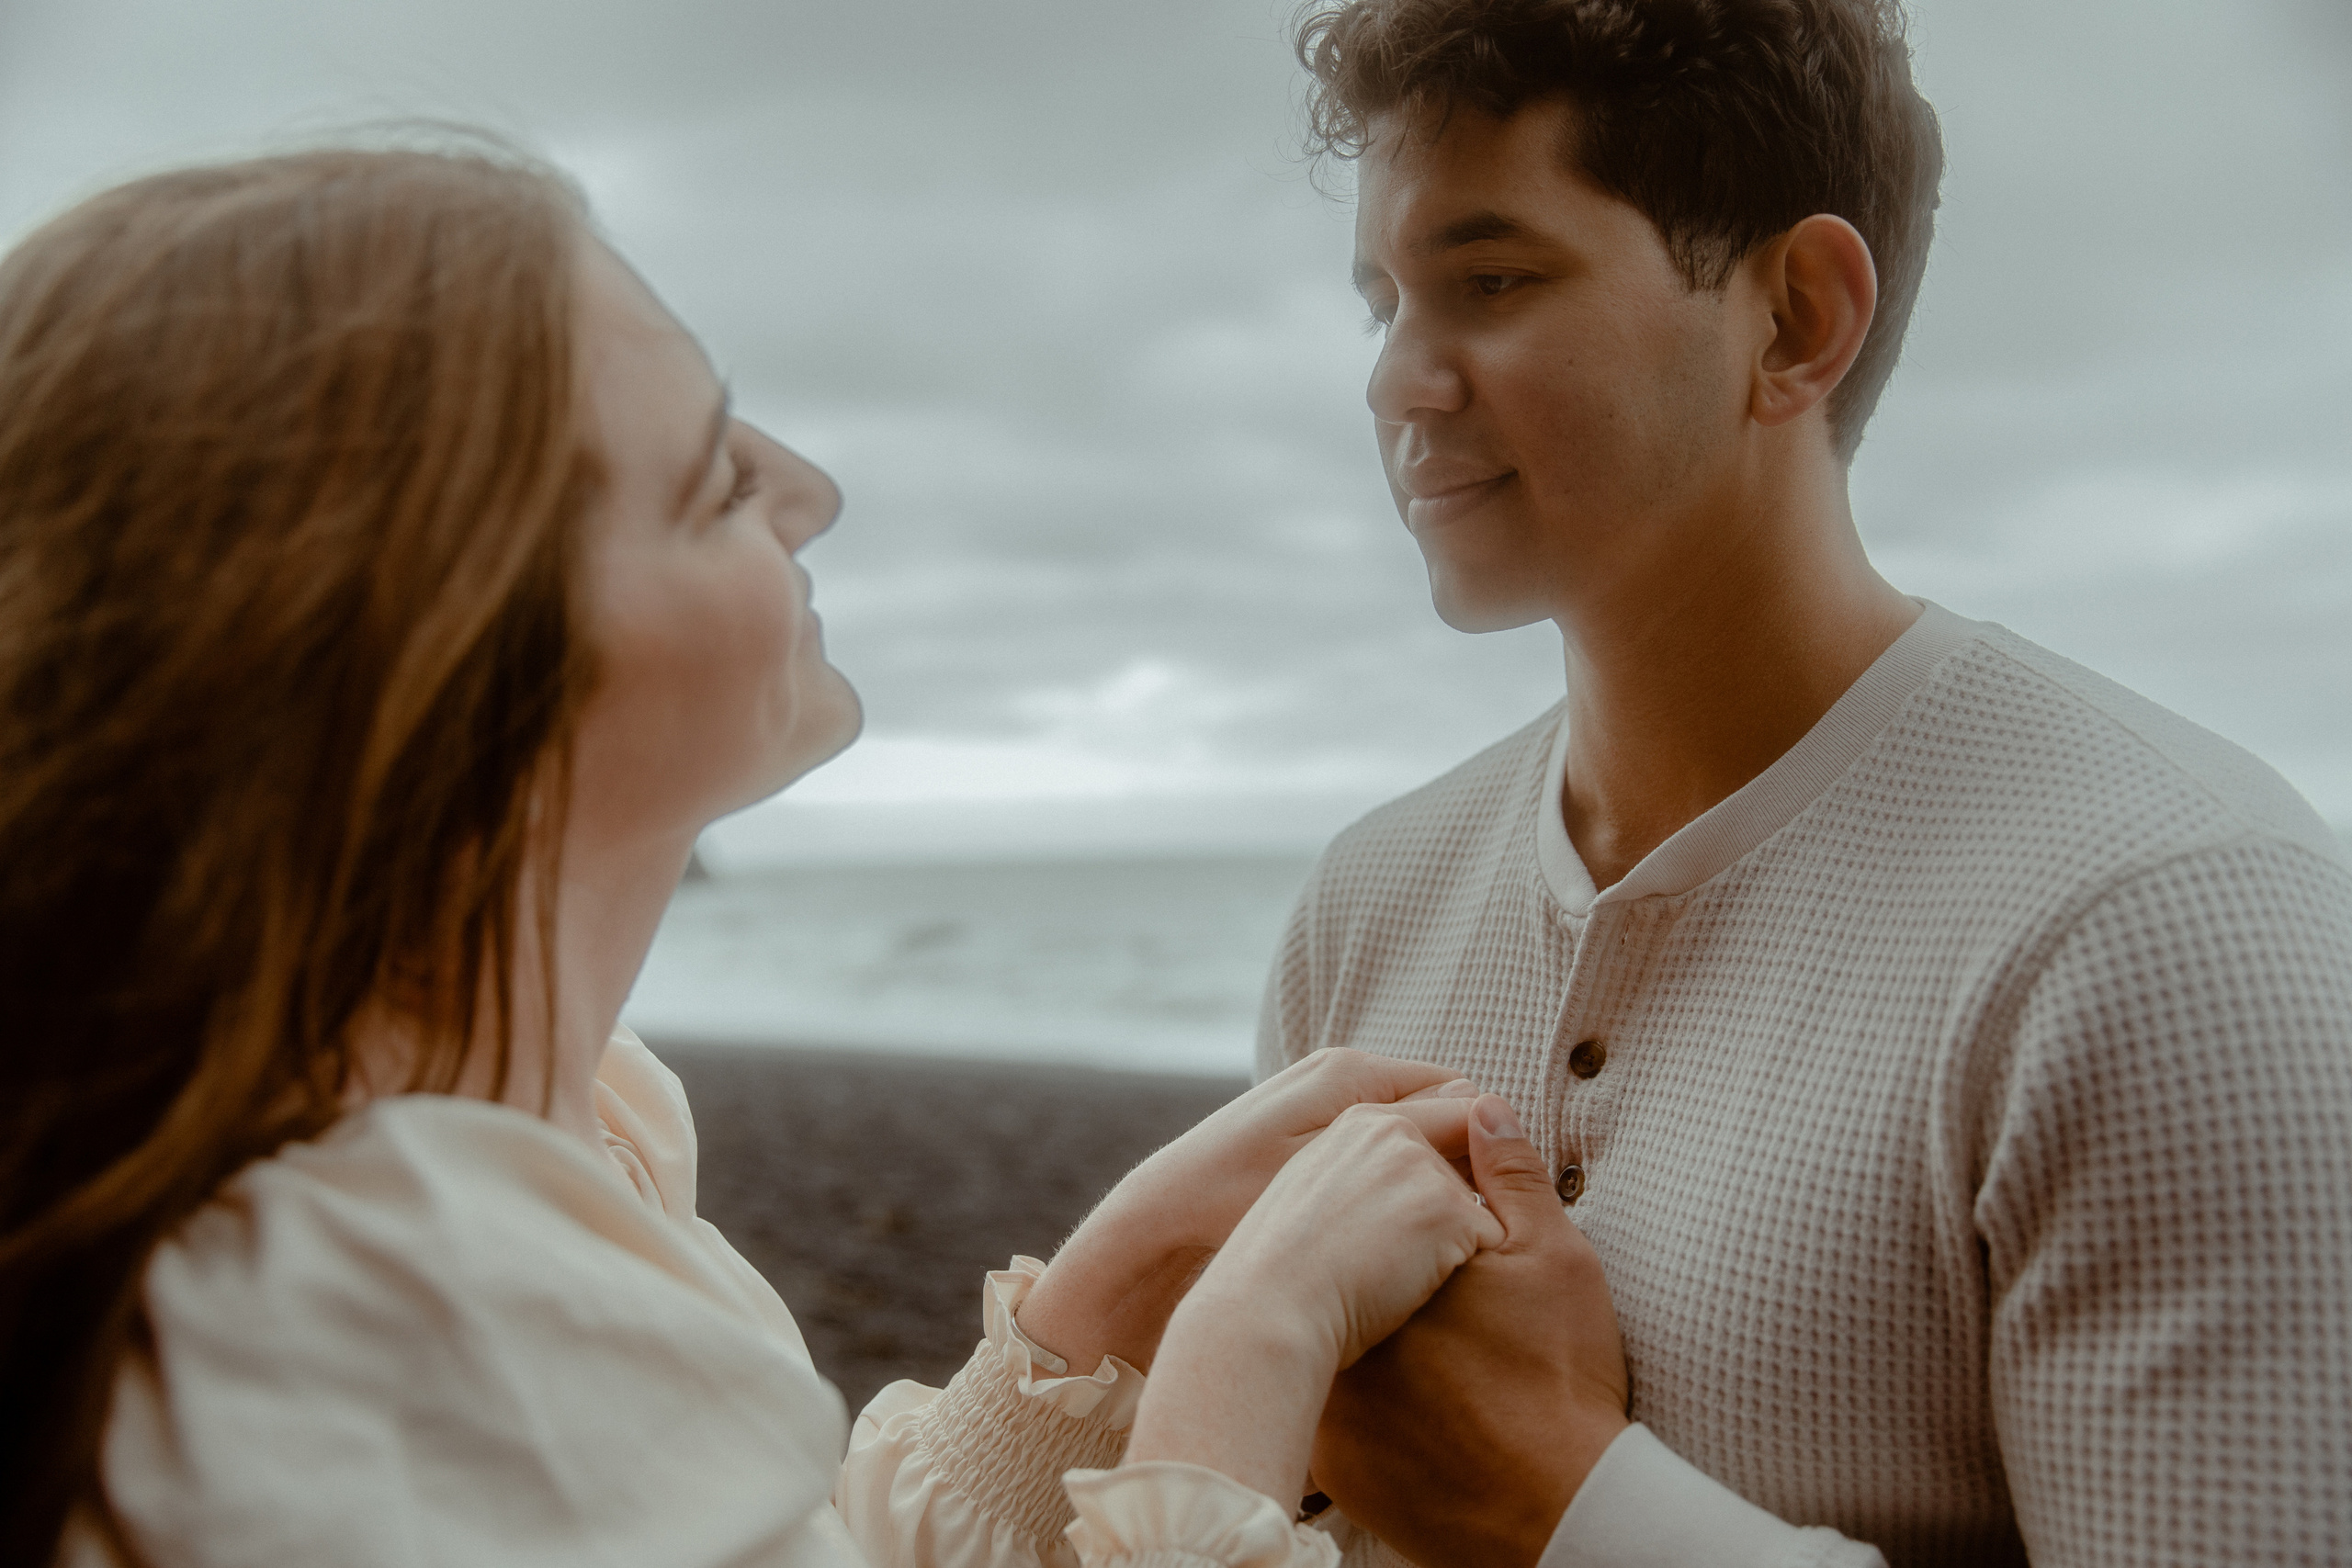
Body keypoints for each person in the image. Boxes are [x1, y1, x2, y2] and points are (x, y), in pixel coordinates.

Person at [0, 144, 1577, 1568]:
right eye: (713, 479)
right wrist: (1250, 1348)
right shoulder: (391, 1304)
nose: (810, 494)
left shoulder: (509, 1135)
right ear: (447, 673)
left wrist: (1105, 1296)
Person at [1257, 2, 2352, 1565]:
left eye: (1491, 282)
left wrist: (1560, 1509)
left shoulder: (2164, 930)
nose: (1397, 384)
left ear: (1794, 319)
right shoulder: (1365, 906)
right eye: (1383, 306)